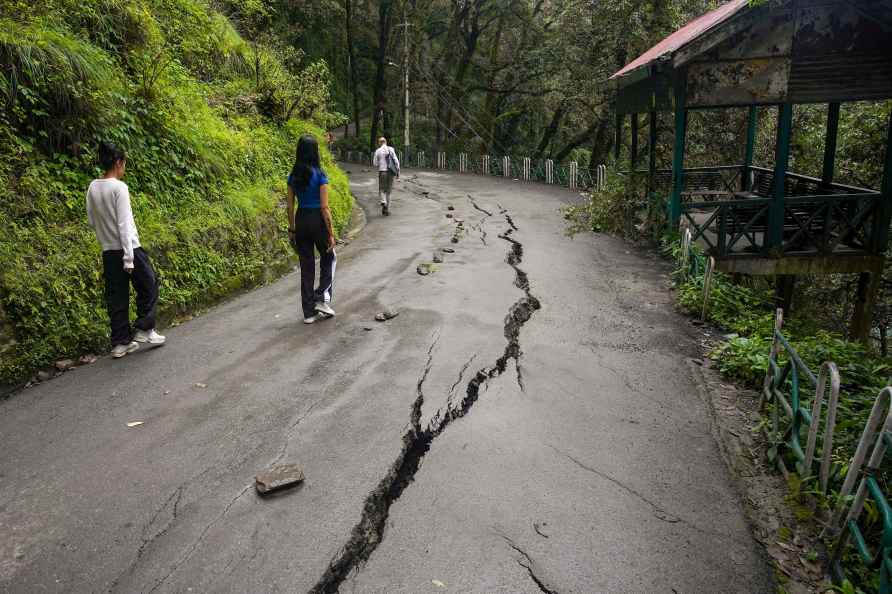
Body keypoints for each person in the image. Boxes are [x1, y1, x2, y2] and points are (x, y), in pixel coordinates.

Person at [86, 142, 165, 359]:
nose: (124, 167)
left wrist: (106, 239)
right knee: (149, 284)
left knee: (116, 296)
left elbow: (92, 220)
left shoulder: (93, 187)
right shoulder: (119, 188)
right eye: (124, 163)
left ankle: (120, 343)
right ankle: (144, 328)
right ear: (119, 162)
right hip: (129, 248)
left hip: (108, 251)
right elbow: (124, 225)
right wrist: (129, 258)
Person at [287, 135, 337, 324]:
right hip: (318, 220)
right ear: (315, 151)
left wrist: (292, 229)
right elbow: (325, 207)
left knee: (306, 267)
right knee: (330, 258)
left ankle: (308, 313)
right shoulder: (320, 175)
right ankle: (321, 298)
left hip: (301, 220)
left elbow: (289, 207)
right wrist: (331, 233)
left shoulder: (293, 176)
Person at [372, 136, 400, 216]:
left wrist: (380, 163)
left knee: (382, 189)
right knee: (389, 191)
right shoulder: (391, 149)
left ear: (380, 143)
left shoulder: (378, 151)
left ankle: (383, 202)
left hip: (382, 172)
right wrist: (398, 172)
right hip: (391, 172)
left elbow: (375, 163)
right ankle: (386, 209)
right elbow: (396, 161)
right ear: (386, 142)